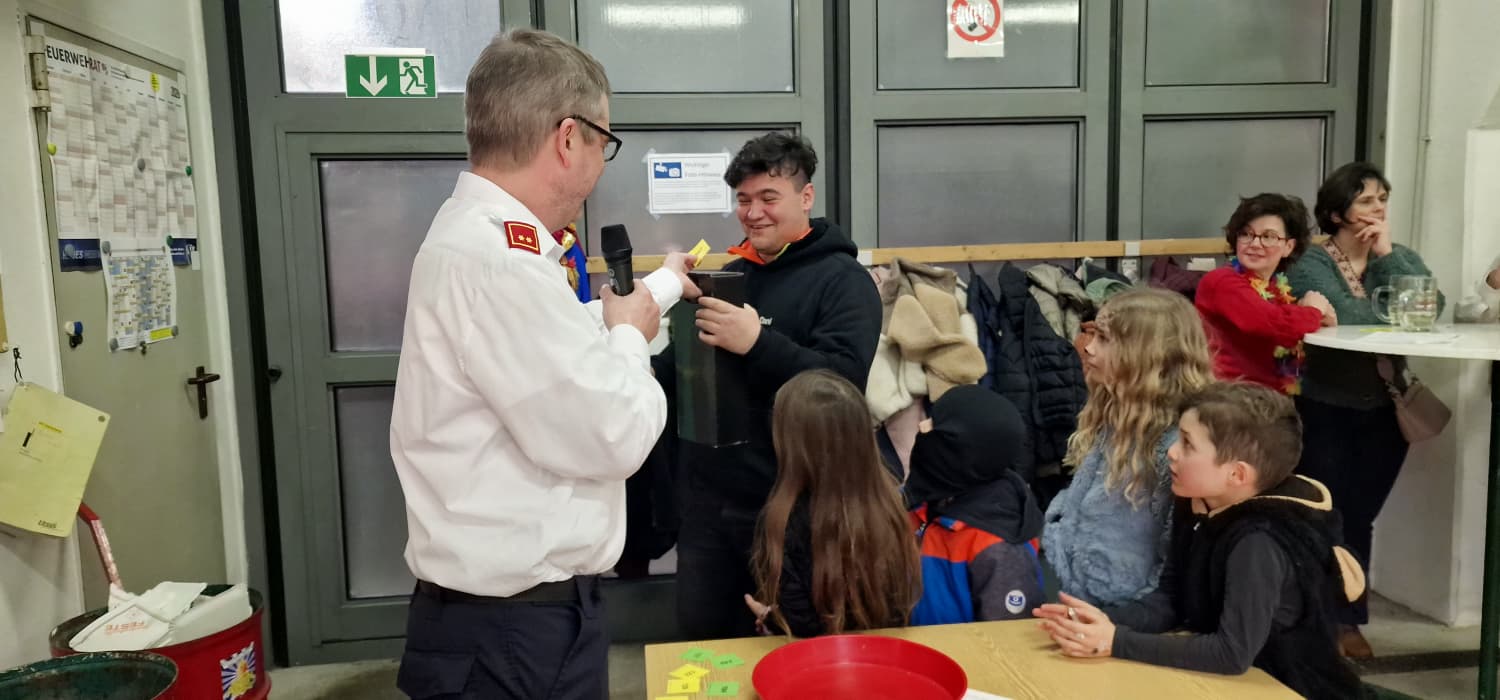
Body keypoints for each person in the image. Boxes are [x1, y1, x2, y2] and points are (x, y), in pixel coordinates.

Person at [388, 29, 700, 699]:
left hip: (504, 622)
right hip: (514, 635)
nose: (600, 165)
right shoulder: (500, 264)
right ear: (567, 138)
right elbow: (614, 432)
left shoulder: (480, 242)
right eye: (602, 142)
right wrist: (630, 338)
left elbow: (547, 354)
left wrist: (656, 292)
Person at [656, 133, 883, 639]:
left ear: (806, 197)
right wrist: (637, 326)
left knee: (786, 649)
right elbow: (676, 374)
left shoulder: (844, 281)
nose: (753, 213)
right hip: (709, 511)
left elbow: (841, 387)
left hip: (794, 513)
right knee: (704, 649)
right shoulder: (732, 276)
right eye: (743, 199)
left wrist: (757, 342)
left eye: (768, 198)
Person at [1034, 383, 1369, 700]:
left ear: (1237, 474)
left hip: (1288, 686)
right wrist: (1103, 621)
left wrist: (1116, 642)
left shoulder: (1258, 543)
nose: (1172, 452)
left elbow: (1231, 653)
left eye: (1188, 444)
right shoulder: (1197, 502)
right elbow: (1171, 600)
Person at [1286, 161, 1442, 656]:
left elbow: (1429, 308)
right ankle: (1317, 620)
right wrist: (1393, 311)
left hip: (1384, 410)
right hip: (1326, 407)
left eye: (1382, 200)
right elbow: (1341, 319)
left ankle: (1348, 619)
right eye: (1367, 200)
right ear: (1337, 212)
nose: (1378, 209)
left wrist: (1387, 257)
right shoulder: (1311, 262)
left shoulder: (1396, 255)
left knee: (1360, 516)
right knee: (1325, 514)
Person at [1041, 289, 1214, 607]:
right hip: (1078, 592)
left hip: (1125, 609)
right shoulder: (1116, 409)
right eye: (1093, 334)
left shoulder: (1177, 444)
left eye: (1104, 339)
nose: (1088, 347)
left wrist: (1137, 614)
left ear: (1146, 354)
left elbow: (1174, 553)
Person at [744, 370, 920, 638]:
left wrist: (771, 619)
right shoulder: (890, 502)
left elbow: (803, 625)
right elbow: (898, 603)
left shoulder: (783, 518)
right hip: (884, 648)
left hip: (820, 657)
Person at [906, 385, 1045, 625]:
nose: (922, 427)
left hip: (960, 649)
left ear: (958, 450)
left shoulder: (998, 546)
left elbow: (1012, 637)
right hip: (908, 644)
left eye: (934, 425)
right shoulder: (921, 505)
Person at [1196, 194, 1335, 394]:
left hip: (1269, 396)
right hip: (1230, 398)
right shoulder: (1221, 281)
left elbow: (1288, 327)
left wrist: (1319, 317)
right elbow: (1277, 325)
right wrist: (1314, 310)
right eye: (1246, 234)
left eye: (1268, 236)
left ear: (1289, 247)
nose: (1254, 243)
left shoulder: (1275, 288)